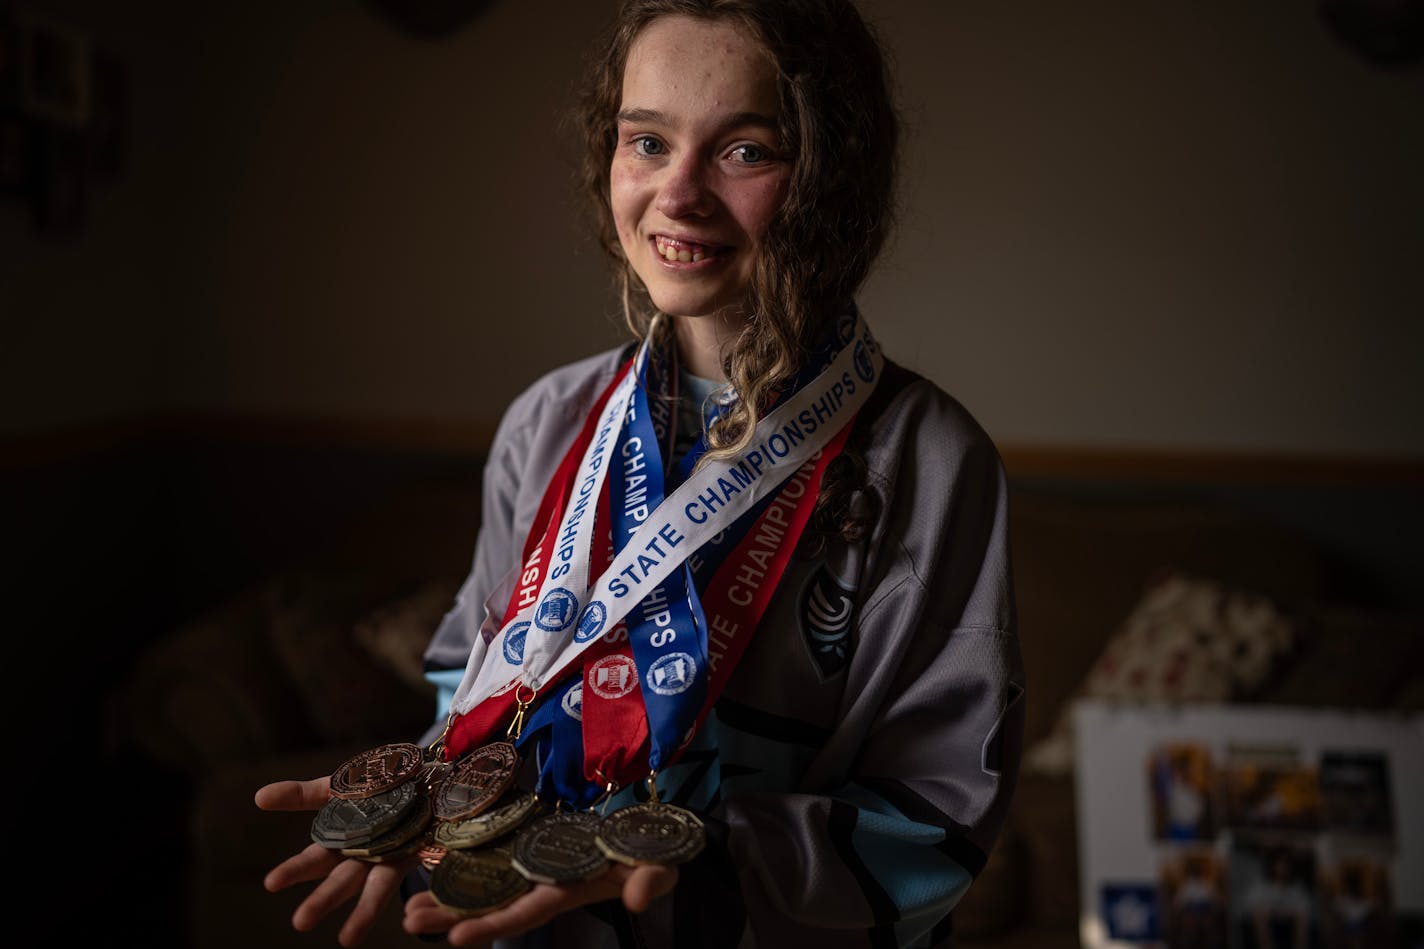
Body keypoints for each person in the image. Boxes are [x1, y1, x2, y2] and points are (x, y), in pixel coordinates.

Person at [255, 1, 1025, 946]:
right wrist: (417, 796)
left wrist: (696, 860)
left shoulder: (931, 463)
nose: (681, 193)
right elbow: (477, 693)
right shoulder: (549, 422)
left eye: (745, 150)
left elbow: (933, 823)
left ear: (832, 176)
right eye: (648, 141)